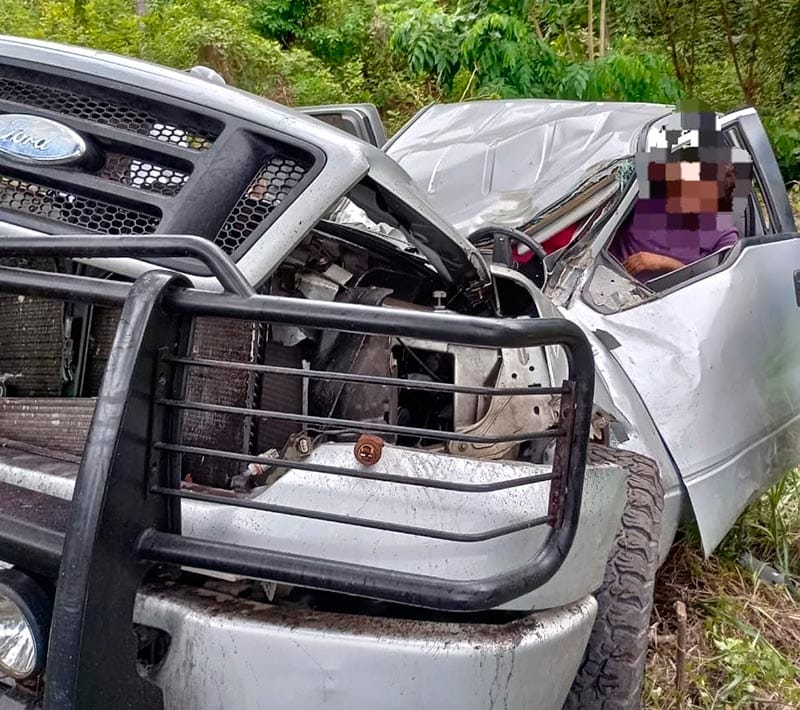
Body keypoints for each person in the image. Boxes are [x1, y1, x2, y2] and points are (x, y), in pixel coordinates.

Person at [610, 112, 751, 283]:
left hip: (663, 300)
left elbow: (716, 284)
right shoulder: (646, 197)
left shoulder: (724, 234)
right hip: (603, 285)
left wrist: (662, 263)